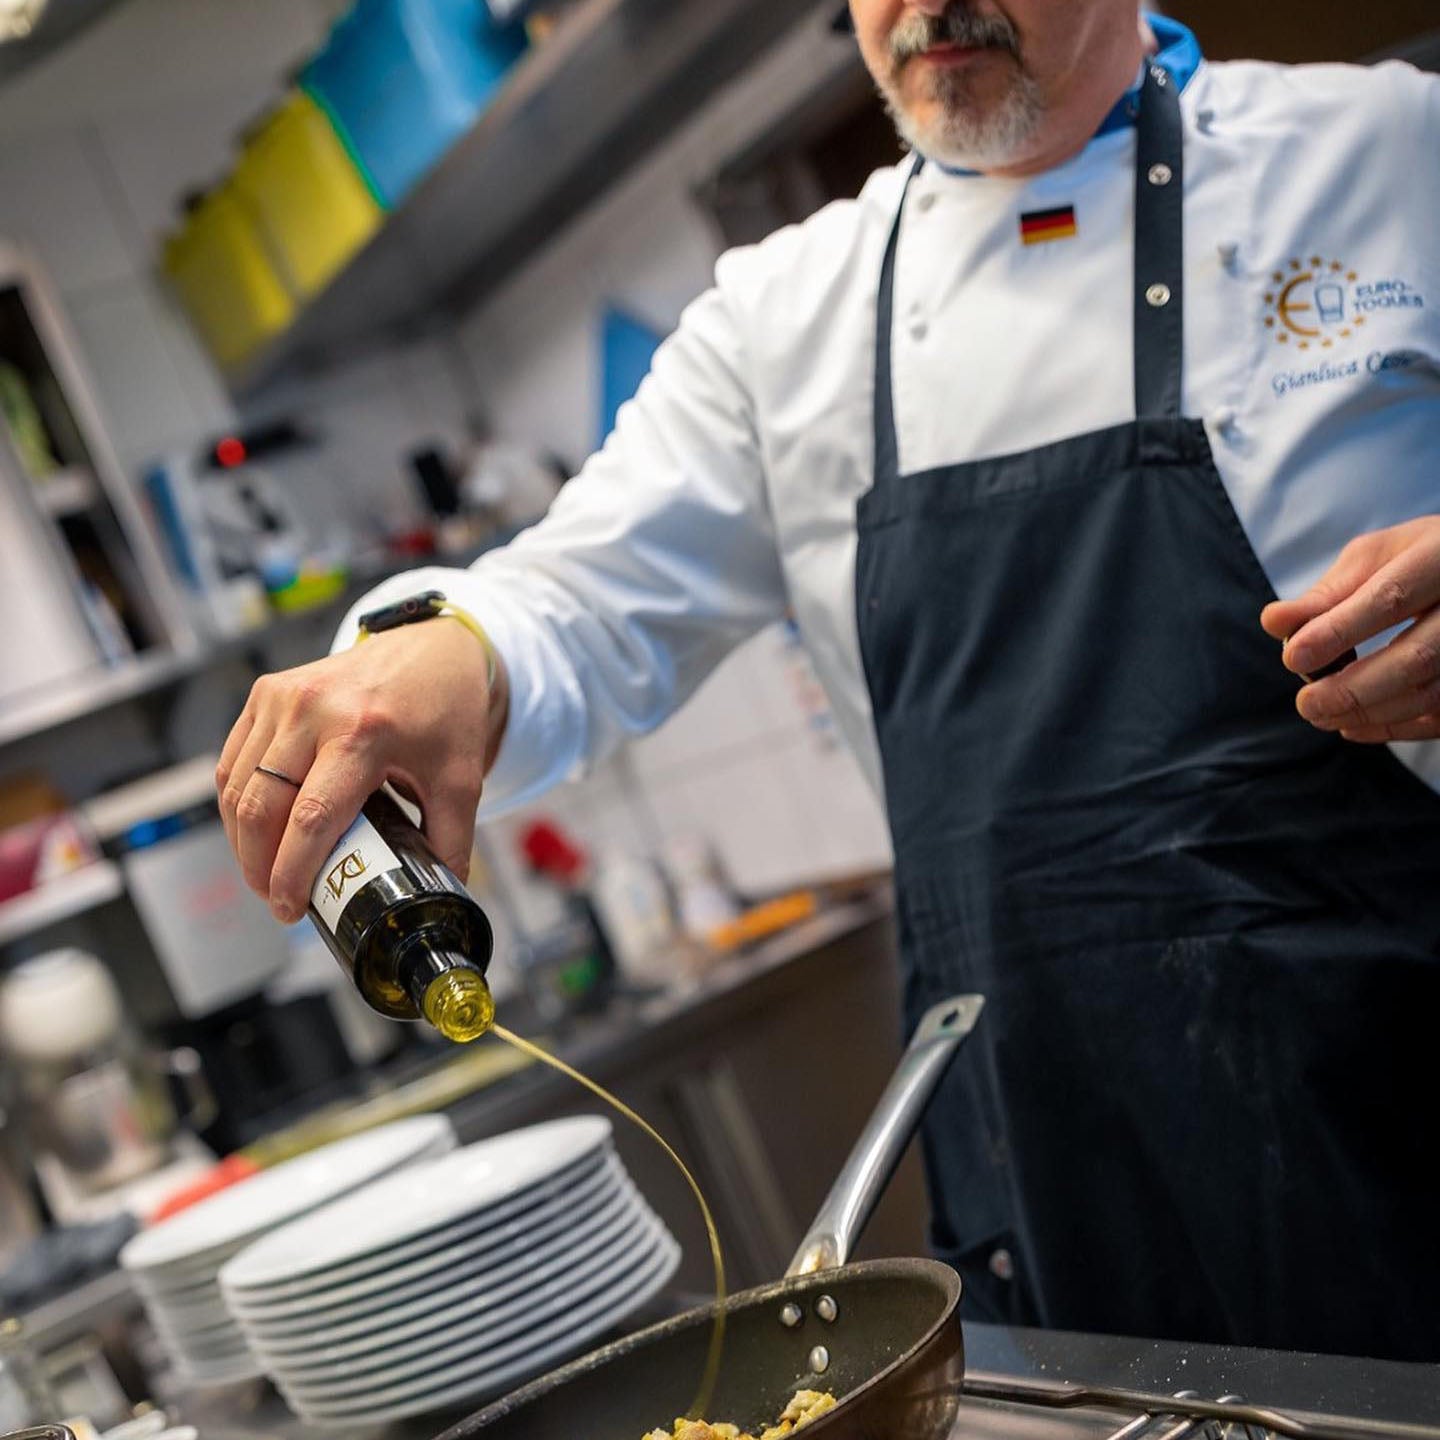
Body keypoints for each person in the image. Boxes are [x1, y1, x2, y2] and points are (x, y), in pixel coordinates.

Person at [217, 1, 1440, 1359]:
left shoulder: (1388, 151)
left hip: (1399, 1106)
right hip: (1061, 1194)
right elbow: (575, 599)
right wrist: (457, 648)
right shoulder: (785, 317)